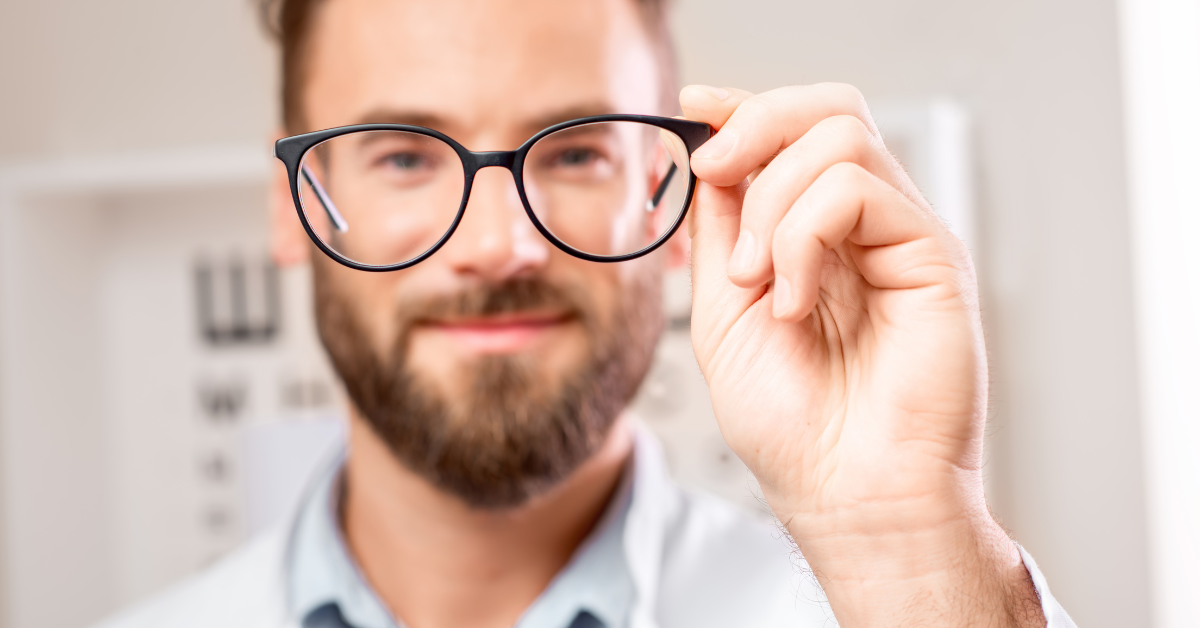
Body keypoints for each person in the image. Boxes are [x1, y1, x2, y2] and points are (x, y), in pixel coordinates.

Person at [98, 0, 1075, 626]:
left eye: (573, 153)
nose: (497, 243)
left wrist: (906, 537)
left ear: (675, 186)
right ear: (294, 204)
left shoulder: (898, 603)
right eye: (403, 155)